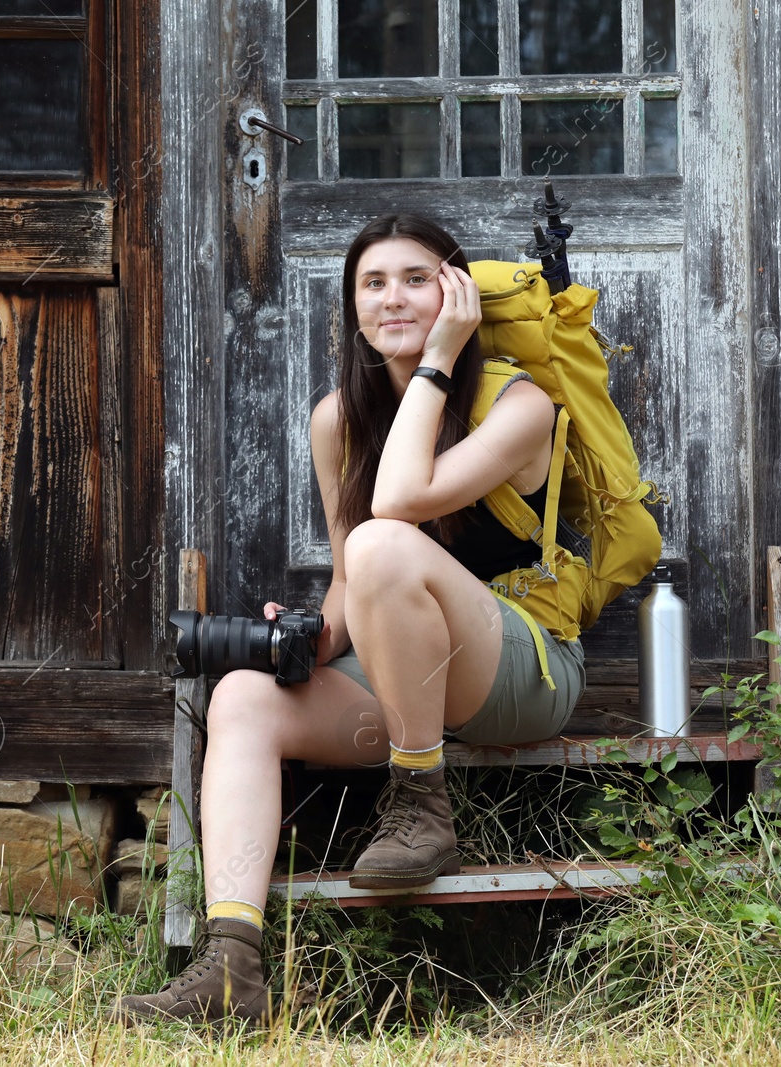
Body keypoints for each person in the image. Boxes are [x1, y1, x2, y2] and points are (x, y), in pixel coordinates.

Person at [109, 213, 588, 1027]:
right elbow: (349, 577)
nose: (392, 298)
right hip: (413, 686)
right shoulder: (338, 419)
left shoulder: (519, 404)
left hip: (521, 670)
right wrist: (312, 640)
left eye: (416, 278)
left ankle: (420, 805)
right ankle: (232, 966)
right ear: (352, 306)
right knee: (241, 701)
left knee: (383, 539)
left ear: (457, 293)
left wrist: (437, 360)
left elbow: (396, 509)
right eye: (373, 283)